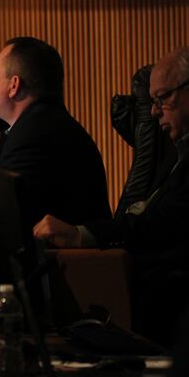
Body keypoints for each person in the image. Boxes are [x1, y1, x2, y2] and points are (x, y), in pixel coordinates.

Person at [33, 47, 189, 346]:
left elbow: (161, 225)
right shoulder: (175, 150)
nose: (154, 111)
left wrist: (80, 234)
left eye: (162, 98)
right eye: (152, 101)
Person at [0, 37, 111, 232]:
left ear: (14, 85)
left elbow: (6, 223)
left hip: (66, 252)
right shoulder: (44, 122)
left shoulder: (33, 136)